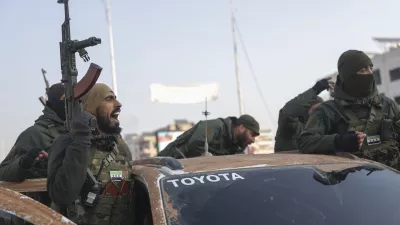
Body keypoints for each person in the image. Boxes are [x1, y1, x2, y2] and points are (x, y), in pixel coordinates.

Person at [297, 50, 400, 169]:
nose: (370, 74)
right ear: (349, 77)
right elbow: (305, 142)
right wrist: (338, 142)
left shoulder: (387, 104)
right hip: (351, 183)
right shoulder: (328, 111)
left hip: (391, 181)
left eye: (370, 68)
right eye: (363, 70)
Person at [47, 83, 134, 225]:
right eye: (109, 98)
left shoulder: (119, 145)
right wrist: (81, 139)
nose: (118, 104)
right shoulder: (67, 143)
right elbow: (62, 195)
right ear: (92, 106)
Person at [157, 114, 260, 158]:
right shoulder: (215, 126)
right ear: (241, 128)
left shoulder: (235, 146)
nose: (253, 140)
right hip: (168, 162)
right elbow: (195, 145)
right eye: (252, 135)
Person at [274, 78, 333, 152]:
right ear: (305, 110)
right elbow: (287, 111)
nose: (318, 112)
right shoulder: (293, 126)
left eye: (321, 109)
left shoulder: (322, 129)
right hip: (287, 162)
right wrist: (315, 90)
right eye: (315, 109)